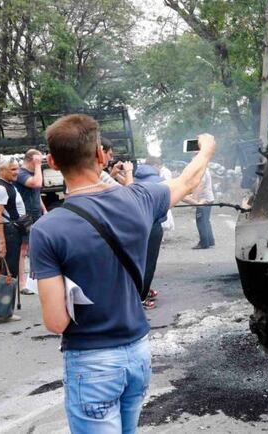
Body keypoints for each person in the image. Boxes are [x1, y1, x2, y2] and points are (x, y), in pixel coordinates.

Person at [30, 114, 215, 433]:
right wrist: (207, 149)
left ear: (52, 162)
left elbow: (56, 321)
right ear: (101, 155)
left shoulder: (47, 231)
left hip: (92, 363)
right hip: (138, 354)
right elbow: (188, 182)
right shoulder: (140, 199)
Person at [0, 156, 26, 322]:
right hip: (7, 231)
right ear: (2, 170)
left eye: (17, 169)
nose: (17, 172)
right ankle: (0, 310)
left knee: (4, 269)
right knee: (6, 271)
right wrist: (2, 242)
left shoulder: (2, 183)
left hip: (9, 230)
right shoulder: (0, 188)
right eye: (13, 170)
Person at [134, 156, 166, 309]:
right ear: (156, 166)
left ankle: (142, 292)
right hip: (152, 226)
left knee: (138, 262)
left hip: (136, 226)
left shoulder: (135, 177)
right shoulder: (158, 181)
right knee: (149, 264)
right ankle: (140, 299)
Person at [14, 149, 46, 295]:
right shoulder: (21, 174)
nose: (41, 164)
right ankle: (21, 284)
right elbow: (36, 184)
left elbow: (36, 193)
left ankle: (34, 280)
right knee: (23, 248)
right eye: (38, 161)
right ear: (32, 160)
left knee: (36, 247)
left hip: (35, 214)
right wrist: (38, 165)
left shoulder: (33, 174)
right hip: (25, 216)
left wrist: (44, 210)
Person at [184, 167, 215, 249]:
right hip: (208, 198)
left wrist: (194, 200)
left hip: (203, 199)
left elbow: (200, 184)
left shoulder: (201, 169)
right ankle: (210, 241)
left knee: (201, 221)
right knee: (206, 221)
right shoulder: (205, 168)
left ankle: (204, 243)